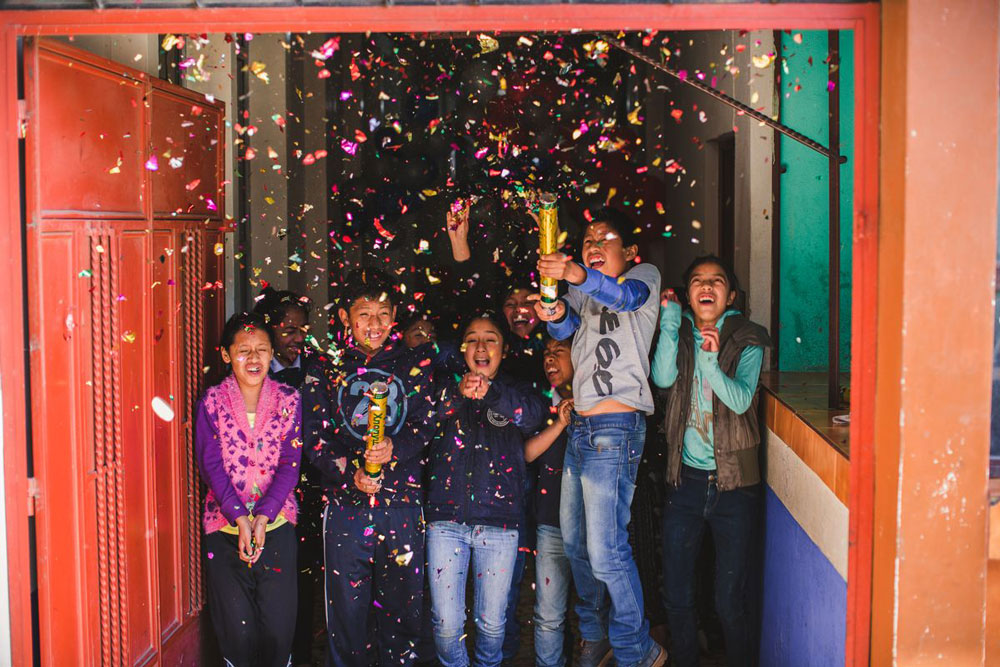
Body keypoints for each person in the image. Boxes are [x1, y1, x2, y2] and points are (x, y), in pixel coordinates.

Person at [533, 208, 668, 667]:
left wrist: (574, 272)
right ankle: (595, 634)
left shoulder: (643, 276)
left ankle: (636, 648)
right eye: (588, 237)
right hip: (582, 429)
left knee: (607, 551)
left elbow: (624, 298)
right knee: (576, 546)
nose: (593, 242)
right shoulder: (580, 288)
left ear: (628, 252)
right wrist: (552, 311)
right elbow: (566, 330)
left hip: (616, 428)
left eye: (604, 238)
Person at [301, 269, 437, 667]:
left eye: (383, 314)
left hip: (403, 503)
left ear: (395, 317)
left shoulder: (417, 362)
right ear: (345, 317)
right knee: (346, 616)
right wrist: (351, 473)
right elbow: (314, 435)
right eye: (364, 314)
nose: (374, 324)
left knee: (404, 612)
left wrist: (394, 448)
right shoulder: (324, 365)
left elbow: (425, 426)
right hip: (345, 506)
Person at [651, 256, 770, 667]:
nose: (707, 286)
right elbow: (663, 379)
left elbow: (739, 399)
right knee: (678, 594)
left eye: (716, 281)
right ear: (688, 295)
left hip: (735, 486)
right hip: (685, 481)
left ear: (731, 295)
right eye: (698, 281)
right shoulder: (680, 330)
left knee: (729, 600)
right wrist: (669, 324)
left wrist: (709, 361)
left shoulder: (749, 338)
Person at [425, 315, 546, 667]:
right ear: (461, 348)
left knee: (492, 626)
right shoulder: (444, 386)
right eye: (472, 339)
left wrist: (491, 393)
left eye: (490, 339)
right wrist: (455, 394)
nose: (480, 347)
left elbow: (533, 416)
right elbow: (425, 416)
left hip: (500, 525)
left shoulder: (516, 389)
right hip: (445, 522)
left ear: (504, 350)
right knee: (447, 626)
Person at [196, 312, 302, 667]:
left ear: (272, 353)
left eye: (261, 349)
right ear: (226, 355)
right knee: (237, 633)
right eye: (243, 351)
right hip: (224, 531)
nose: (253, 359)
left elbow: (290, 463)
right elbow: (210, 464)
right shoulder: (212, 401)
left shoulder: (289, 399)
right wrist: (240, 517)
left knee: (277, 630)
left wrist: (264, 516)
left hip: (277, 528)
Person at [254, 286, 325, 666]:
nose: (297, 338)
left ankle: (301, 655)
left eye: (302, 330)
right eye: (287, 330)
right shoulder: (254, 372)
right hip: (266, 492)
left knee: (304, 576)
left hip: (311, 489)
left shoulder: (318, 369)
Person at [523, 337, 577, 667]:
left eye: (559, 353)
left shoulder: (600, 401)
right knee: (548, 614)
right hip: (551, 522)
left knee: (593, 609)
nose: (550, 360)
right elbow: (527, 453)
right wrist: (560, 422)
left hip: (590, 525)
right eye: (547, 354)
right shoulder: (541, 403)